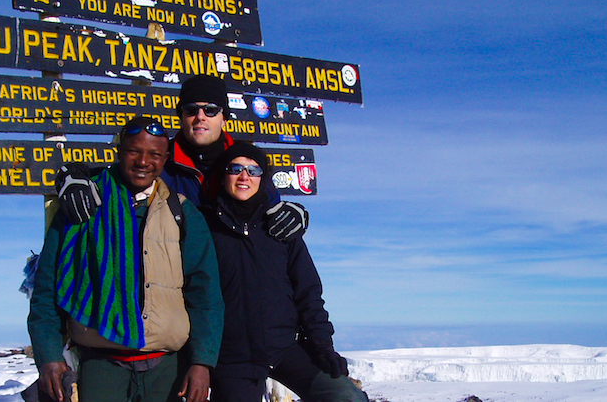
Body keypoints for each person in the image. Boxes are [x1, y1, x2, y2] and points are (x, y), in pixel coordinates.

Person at [27, 117, 224, 402]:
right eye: (134, 151)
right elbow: (47, 288)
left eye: (155, 154)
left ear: (165, 159)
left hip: (166, 370)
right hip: (100, 367)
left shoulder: (181, 212)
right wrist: (48, 356)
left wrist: (202, 363)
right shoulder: (82, 205)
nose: (144, 161)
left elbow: (205, 295)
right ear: (120, 151)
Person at [202, 142, 367, 402]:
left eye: (253, 171)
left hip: (285, 347)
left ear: (263, 179)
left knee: (346, 397)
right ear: (223, 177)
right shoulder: (205, 227)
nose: (244, 176)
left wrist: (322, 346)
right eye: (236, 168)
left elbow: (309, 292)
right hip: (233, 357)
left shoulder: (280, 227)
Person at [56, 75, 309, 242]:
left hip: (238, 291)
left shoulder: (246, 168)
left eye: (210, 110)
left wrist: (296, 214)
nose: (200, 116)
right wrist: (72, 177)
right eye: (191, 110)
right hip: (181, 291)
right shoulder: (160, 163)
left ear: (224, 117)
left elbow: (272, 210)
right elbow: (110, 175)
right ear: (181, 116)